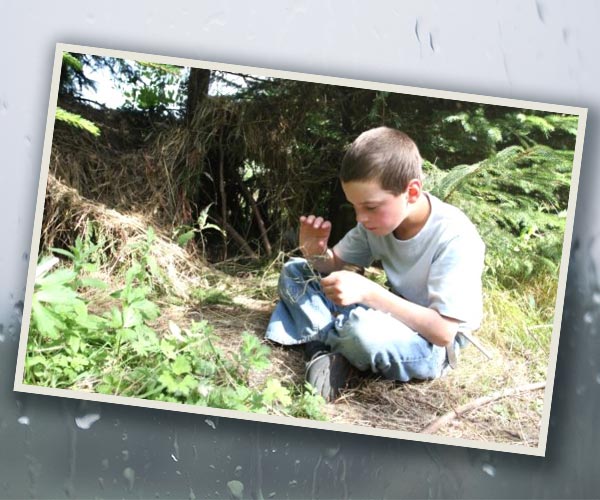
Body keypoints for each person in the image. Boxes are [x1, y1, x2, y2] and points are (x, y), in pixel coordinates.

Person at [265, 126, 485, 401]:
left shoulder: (455, 237)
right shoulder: (376, 224)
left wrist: (368, 292)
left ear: (412, 192)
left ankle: (319, 340)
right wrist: (313, 252)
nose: (360, 218)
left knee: (363, 331)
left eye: (369, 207)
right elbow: (332, 264)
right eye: (355, 207)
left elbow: (443, 332)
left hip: (431, 343)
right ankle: (330, 348)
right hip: (391, 313)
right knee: (294, 271)